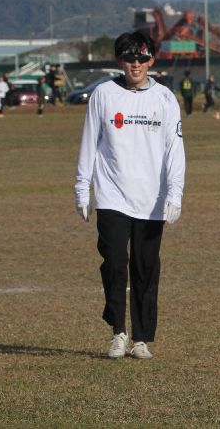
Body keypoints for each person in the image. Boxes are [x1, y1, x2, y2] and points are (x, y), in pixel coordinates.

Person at [74, 31, 185, 359]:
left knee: (145, 267)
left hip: (152, 198)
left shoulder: (165, 98)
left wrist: (175, 192)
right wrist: (82, 188)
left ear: (151, 60)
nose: (135, 64)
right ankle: (118, 332)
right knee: (114, 262)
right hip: (112, 195)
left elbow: (174, 149)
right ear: (119, 61)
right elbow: (89, 142)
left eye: (141, 58)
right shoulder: (103, 95)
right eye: (128, 58)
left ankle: (140, 338)